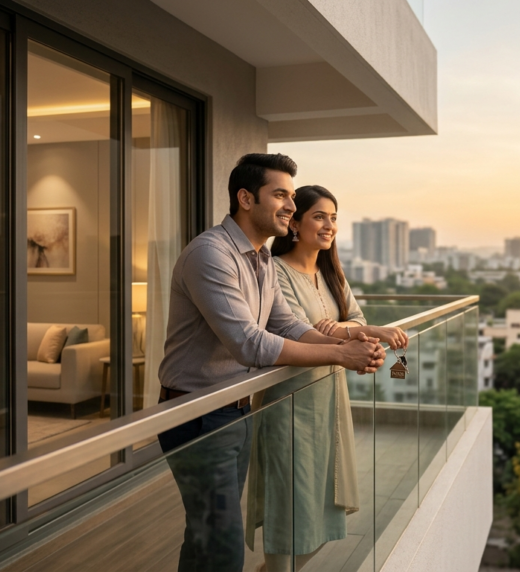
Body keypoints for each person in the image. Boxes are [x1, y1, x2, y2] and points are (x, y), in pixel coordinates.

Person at [157, 154, 386, 572]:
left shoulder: (260, 258)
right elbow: (250, 343)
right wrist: (340, 353)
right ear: (246, 198)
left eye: (292, 196)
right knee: (221, 544)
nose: (291, 206)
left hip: (237, 411)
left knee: (206, 538)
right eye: (280, 194)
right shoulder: (211, 254)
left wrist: (352, 349)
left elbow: (288, 325)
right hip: (196, 414)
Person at [246, 185, 408, 572]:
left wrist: (339, 328)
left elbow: (358, 321)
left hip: (329, 404)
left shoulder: (331, 272)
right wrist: (345, 331)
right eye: (319, 216)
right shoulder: (275, 270)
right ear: (296, 223)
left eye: (334, 217)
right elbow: (293, 330)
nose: (329, 225)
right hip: (288, 404)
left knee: (325, 507)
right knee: (288, 507)